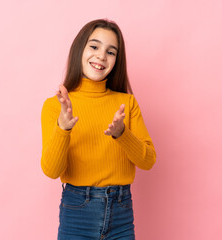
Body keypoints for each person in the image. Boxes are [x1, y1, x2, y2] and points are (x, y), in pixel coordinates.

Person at [41, 19, 156, 240]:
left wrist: (122, 134)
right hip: (77, 212)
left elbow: (148, 161)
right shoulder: (55, 106)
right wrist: (63, 129)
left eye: (110, 52)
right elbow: (52, 171)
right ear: (79, 49)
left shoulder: (127, 103)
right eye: (94, 47)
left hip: (121, 212)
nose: (101, 56)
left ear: (116, 60)